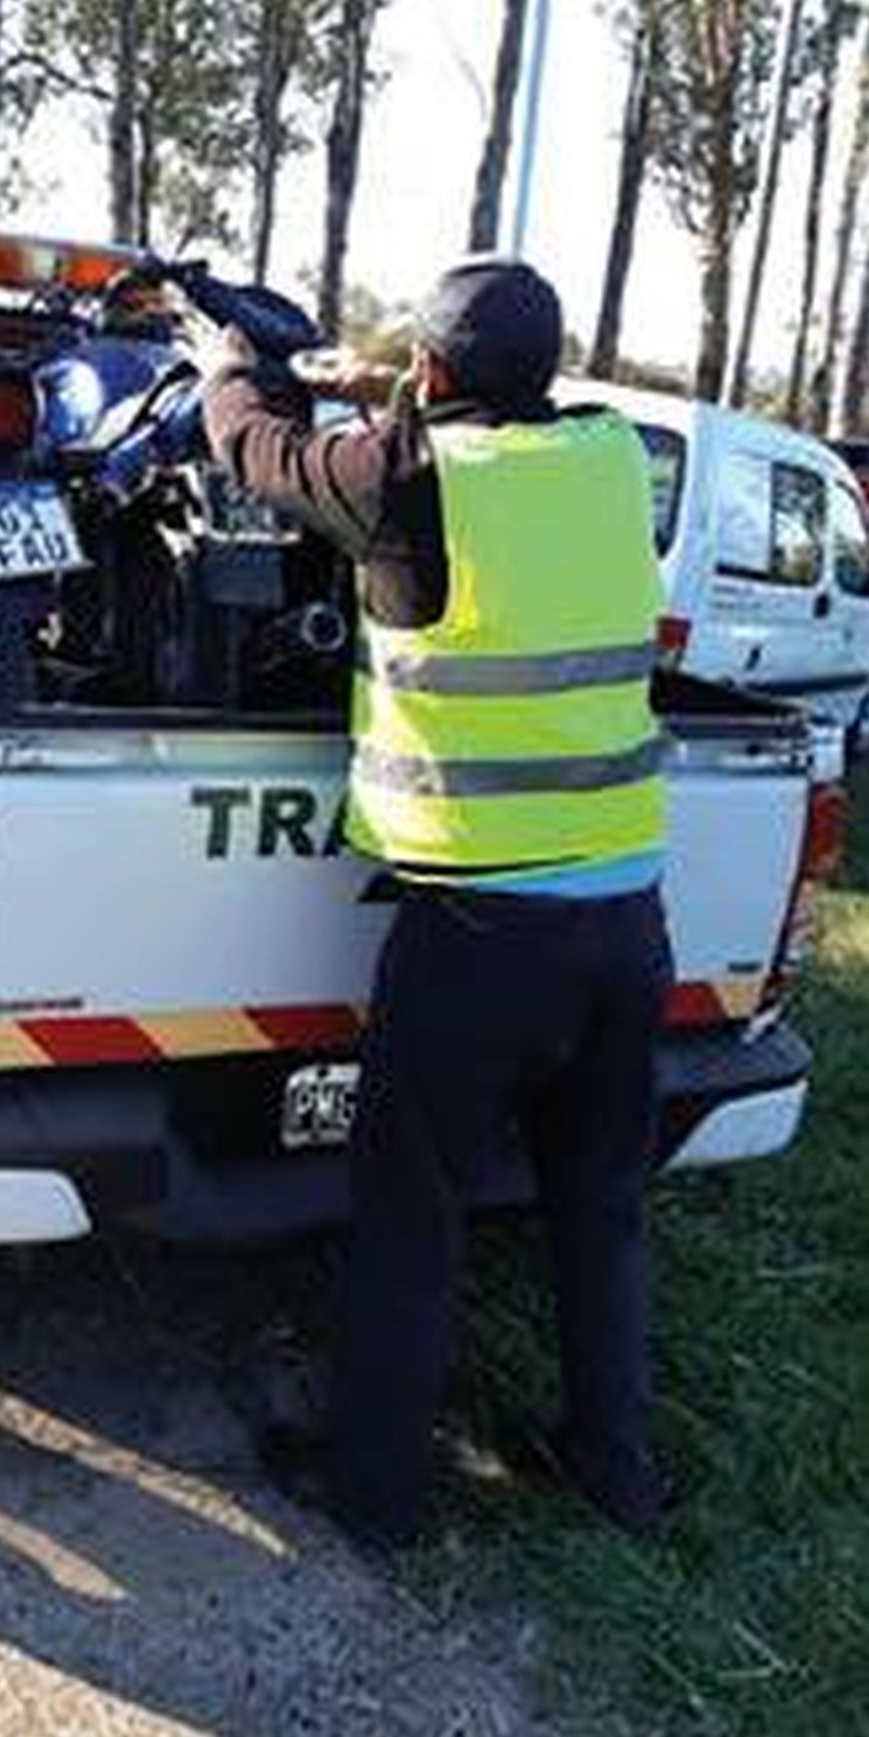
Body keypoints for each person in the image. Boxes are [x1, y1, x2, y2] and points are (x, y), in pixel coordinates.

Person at [201, 255, 674, 1544]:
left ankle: (377, 1498)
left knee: (414, 1208)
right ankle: (615, 1469)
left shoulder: (409, 481)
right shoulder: (613, 455)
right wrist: (391, 381)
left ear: (433, 373)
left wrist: (233, 364)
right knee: (599, 1199)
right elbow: (493, 419)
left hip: (480, 933)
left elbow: (255, 451)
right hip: (628, 918)